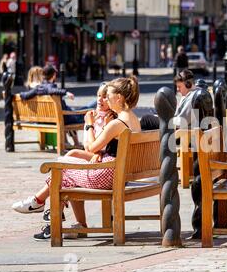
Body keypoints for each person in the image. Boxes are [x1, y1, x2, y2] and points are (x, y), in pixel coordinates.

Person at [12, 77, 142, 240]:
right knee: (69, 162)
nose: (106, 99)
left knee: (62, 168)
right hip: (119, 173)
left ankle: (39, 203)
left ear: (119, 98)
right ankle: (65, 217)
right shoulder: (133, 119)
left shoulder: (117, 123)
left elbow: (91, 147)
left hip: (108, 176)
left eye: (108, 96)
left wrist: (88, 124)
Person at [30, 83, 116, 240]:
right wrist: (95, 150)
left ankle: (42, 204)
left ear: (113, 99)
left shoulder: (111, 120)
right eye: (98, 95)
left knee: (65, 171)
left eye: (105, 96)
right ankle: (76, 223)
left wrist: (90, 127)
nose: (100, 99)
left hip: (108, 171)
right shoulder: (98, 116)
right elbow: (88, 146)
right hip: (109, 166)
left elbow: (93, 147)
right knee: (71, 156)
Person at [20, 65, 97, 146]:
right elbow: (50, 90)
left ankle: (75, 143)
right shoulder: (50, 87)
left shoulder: (38, 88)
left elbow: (24, 95)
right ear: (54, 76)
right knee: (91, 109)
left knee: (88, 106)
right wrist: (65, 92)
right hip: (67, 118)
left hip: (49, 118)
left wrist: (15, 95)